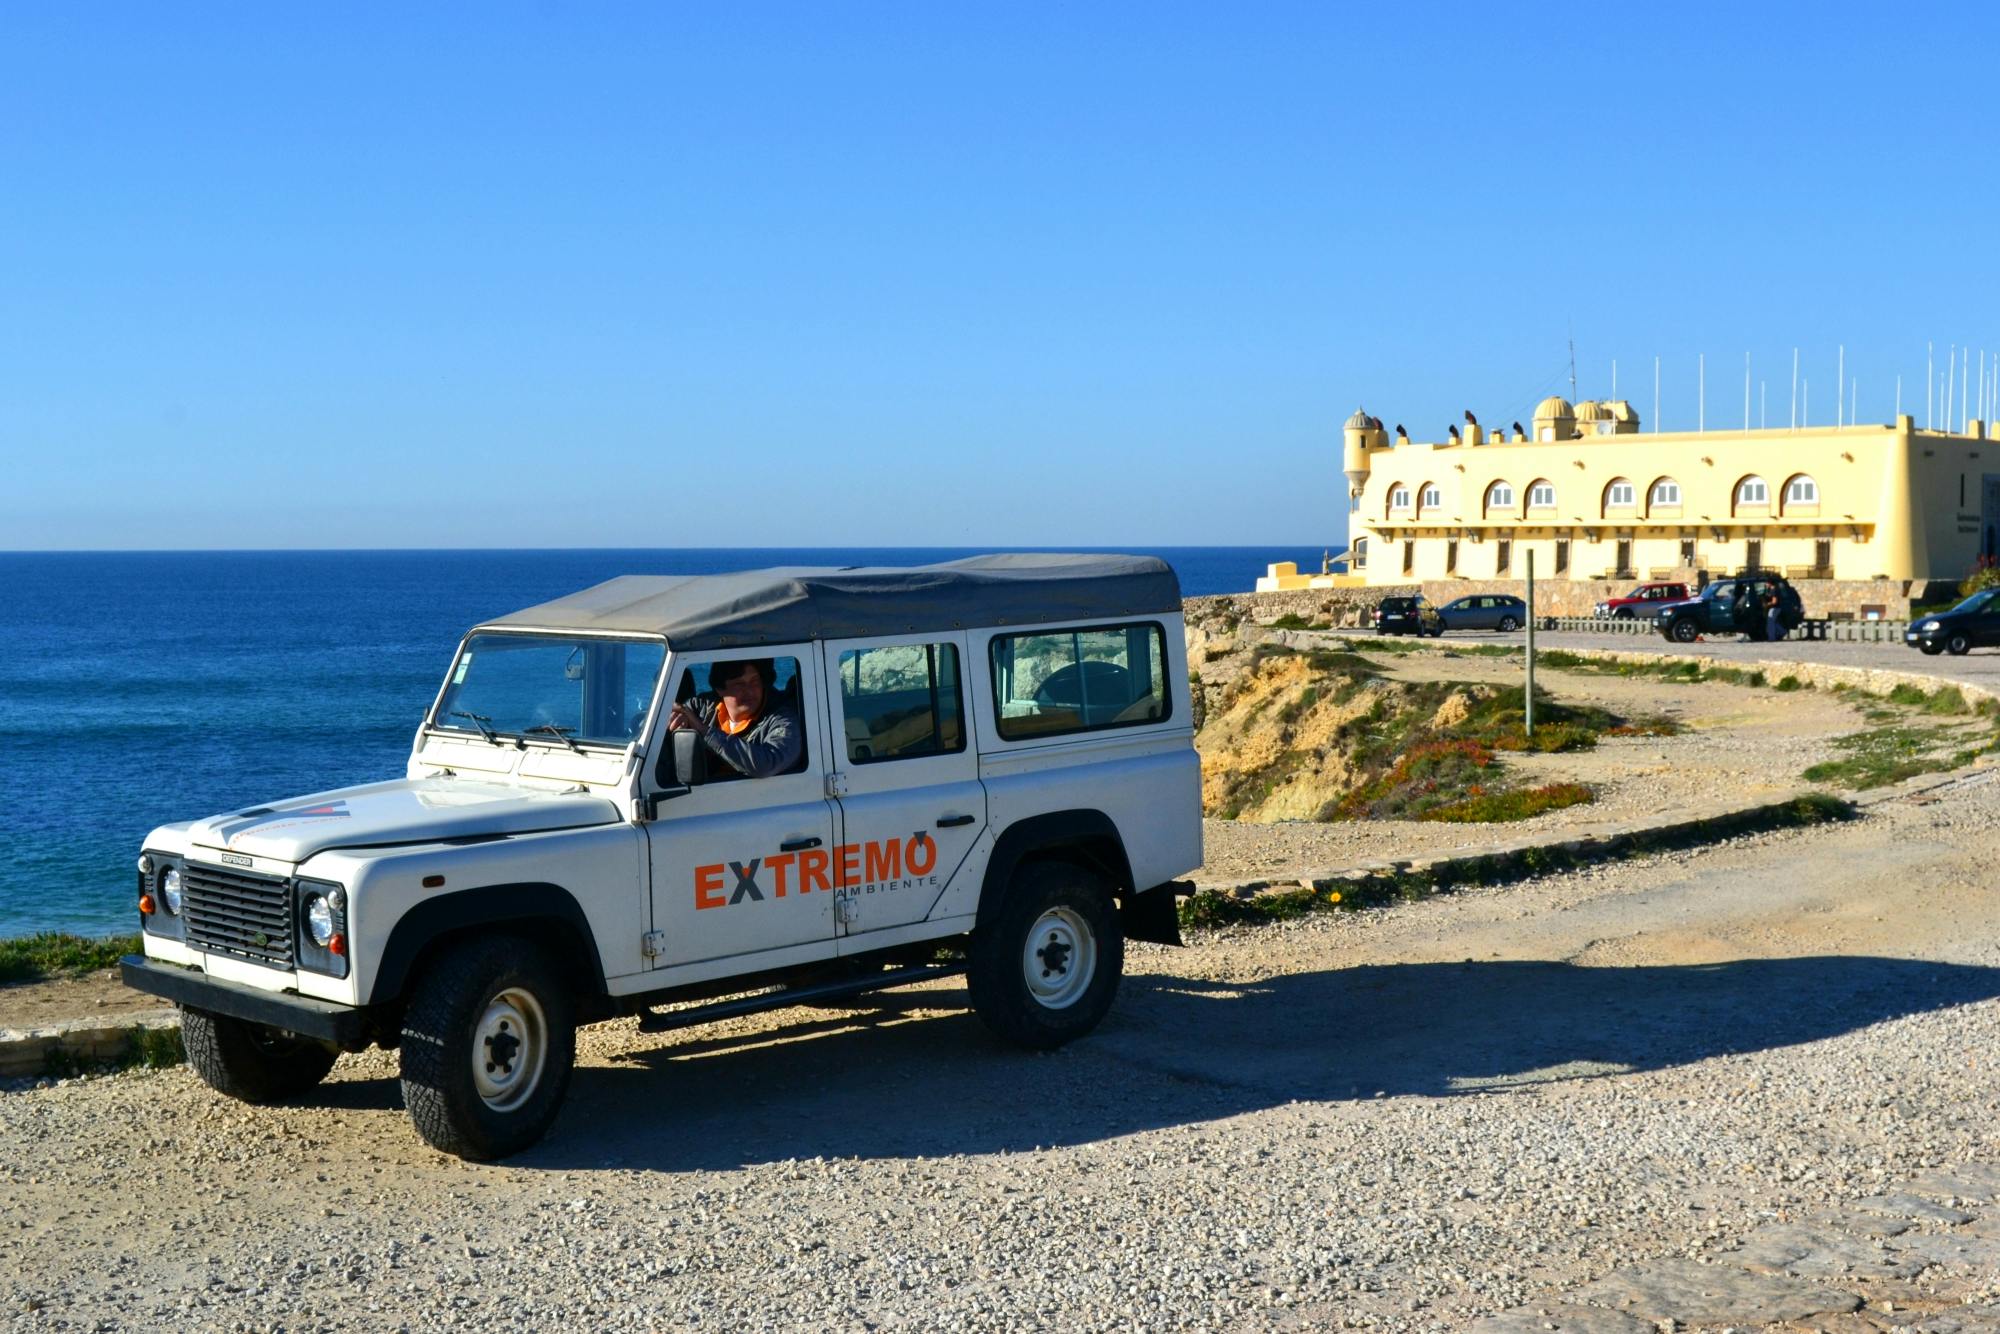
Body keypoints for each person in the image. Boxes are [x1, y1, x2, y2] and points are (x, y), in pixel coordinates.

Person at [668, 658, 803, 778]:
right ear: (720, 689)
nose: (749, 691)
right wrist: (677, 719)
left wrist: (704, 731)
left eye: (755, 682)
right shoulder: (701, 707)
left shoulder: (783, 718)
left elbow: (766, 764)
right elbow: (679, 713)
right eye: (739, 684)